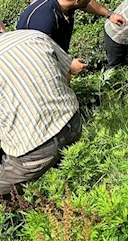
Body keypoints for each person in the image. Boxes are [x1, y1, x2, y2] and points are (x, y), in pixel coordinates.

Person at [0, 29, 87, 197]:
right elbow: (67, 74)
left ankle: (31, 213)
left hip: (34, 150)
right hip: (73, 123)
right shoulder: (33, 35)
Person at [16, 0, 126, 53]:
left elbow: (86, 4)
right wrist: (68, 66)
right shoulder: (44, 21)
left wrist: (109, 14)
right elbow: (41, 55)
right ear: (79, 0)